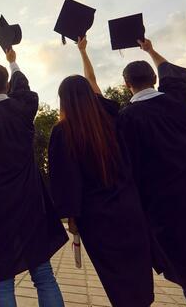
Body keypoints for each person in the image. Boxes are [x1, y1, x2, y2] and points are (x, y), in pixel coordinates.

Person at [48, 36, 154, 307]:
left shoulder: (63, 133)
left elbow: (65, 180)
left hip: (97, 219)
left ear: (63, 101)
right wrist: (84, 53)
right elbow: (93, 85)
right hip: (129, 207)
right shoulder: (112, 119)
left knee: (117, 284)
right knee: (139, 282)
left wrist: (72, 218)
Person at [118, 38, 186, 307]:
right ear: (154, 78)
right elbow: (173, 76)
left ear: (126, 85)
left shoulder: (127, 119)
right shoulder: (179, 102)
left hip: (168, 213)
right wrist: (150, 50)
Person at [0, 47, 68, 307]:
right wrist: (13, 62)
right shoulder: (22, 109)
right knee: (43, 274)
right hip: (30, 202)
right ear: (7, 86)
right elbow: (25, 89)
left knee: (3, 278)